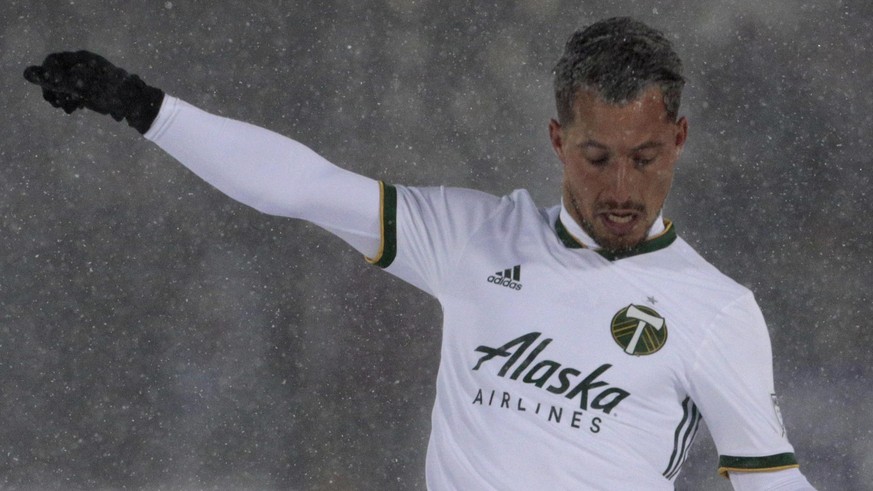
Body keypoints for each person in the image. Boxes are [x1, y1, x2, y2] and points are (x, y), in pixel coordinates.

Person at [24, 16, 816, 491]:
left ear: (676, 140)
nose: (619, 185)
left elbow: (773, 483)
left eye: (643, 158)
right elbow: (302, 186)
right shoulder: (472, 237)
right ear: (554, 140)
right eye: (594, 155)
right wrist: (141, 105)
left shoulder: (716, 312)